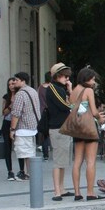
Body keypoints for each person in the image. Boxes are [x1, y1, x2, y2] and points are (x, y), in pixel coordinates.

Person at [70, 67, 104, 201]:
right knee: (90, 161)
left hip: (77, 128)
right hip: (89, 128)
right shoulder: (88, 90)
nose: (94, 82)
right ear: (87, 79)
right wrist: (99, 118)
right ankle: (90, 192)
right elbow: (94, 111)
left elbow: (75, 109)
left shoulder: (73, 91)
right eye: (93, 79)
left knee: (77, 161)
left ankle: (77, 192)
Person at [43, 64, 74, 200]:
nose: (67, 79)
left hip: (63, 127)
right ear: (57, 76)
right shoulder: (53, 88)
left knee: (63, 161)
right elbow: (65, 105)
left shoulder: (59, 89)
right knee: (58, 161)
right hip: (58, 127)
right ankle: (57, 190)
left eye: (67, 76)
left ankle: (61, 188)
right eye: (64, 76)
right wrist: (72, 98)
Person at [8, 72, 40, 181]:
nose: (14, 82)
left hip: (24, 127)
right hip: (33, 125)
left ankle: (29, 173)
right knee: (30, 151)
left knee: (25, 152)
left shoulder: (20, 94)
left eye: (16, 80)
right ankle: (28, 173)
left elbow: (16, 113)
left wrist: (12, 129)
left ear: (23, 81)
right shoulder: (33, 91)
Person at [1, 77, 27, 180]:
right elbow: (3, 113)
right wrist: (11, 105)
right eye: (9, 84)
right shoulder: (6, 97)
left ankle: (22, 170)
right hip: (7, 123)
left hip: (18, 124)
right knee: (7, 148)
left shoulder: (20, 95)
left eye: (13, 83)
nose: (11, 86)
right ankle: (10, 171)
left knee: (19, 148)